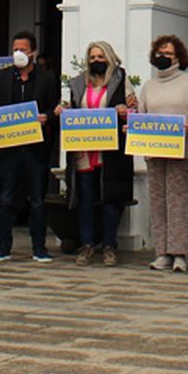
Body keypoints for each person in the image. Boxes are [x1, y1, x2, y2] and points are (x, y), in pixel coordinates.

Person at [0, 30, 59, 263]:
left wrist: (47, 117)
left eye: (23, 50)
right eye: (15, 50)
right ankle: (3, 246)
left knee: (37, 200)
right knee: (6, 198)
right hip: (9, 149)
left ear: (33, 52)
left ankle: (39, 248)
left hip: (36, 149)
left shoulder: (47, 78)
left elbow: (54, 109)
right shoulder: (3, 77)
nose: (18, 54)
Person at [60, 40, 136, 267]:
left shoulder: (121, 80)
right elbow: (70, 107)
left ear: (109, 58)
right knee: (85, 198)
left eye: (101, 57)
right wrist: (63, 110)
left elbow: (135, 109)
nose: (96, 61)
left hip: (110, 152)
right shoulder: (78, 83)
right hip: (84, 151)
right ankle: (87, 244)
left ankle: (109, 246)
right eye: (92, 57)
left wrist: (125, 111)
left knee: (110, 198)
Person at [138, 34, 188, 272]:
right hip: (155, 151)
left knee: (179, 202)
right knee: (158, 202)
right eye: (160, 53)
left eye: (168, 53)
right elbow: (142, 115)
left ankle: (179, 253)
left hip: (183, 152)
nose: (163, 57)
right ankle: (162, 252)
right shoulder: (148, 86)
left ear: (178, 57)